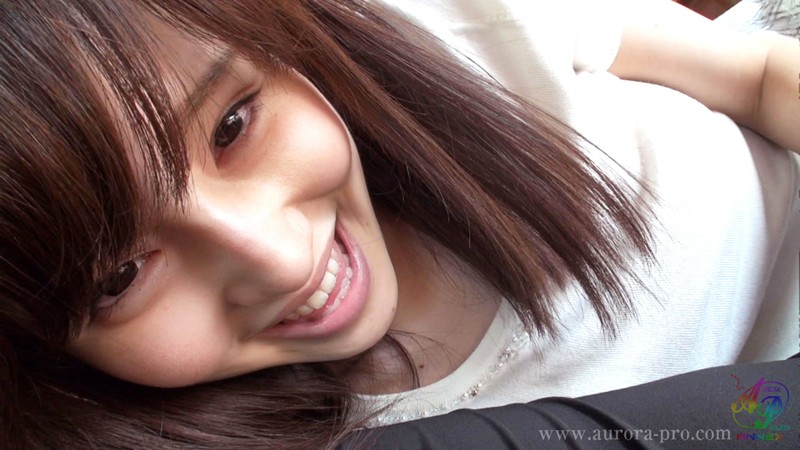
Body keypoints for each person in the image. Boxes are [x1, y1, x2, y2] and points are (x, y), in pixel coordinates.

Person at [0, 0, 797, 447]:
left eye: (233, 127)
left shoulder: (449, 23)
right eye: (122, 277)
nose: (280, 261)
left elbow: (758, 74)